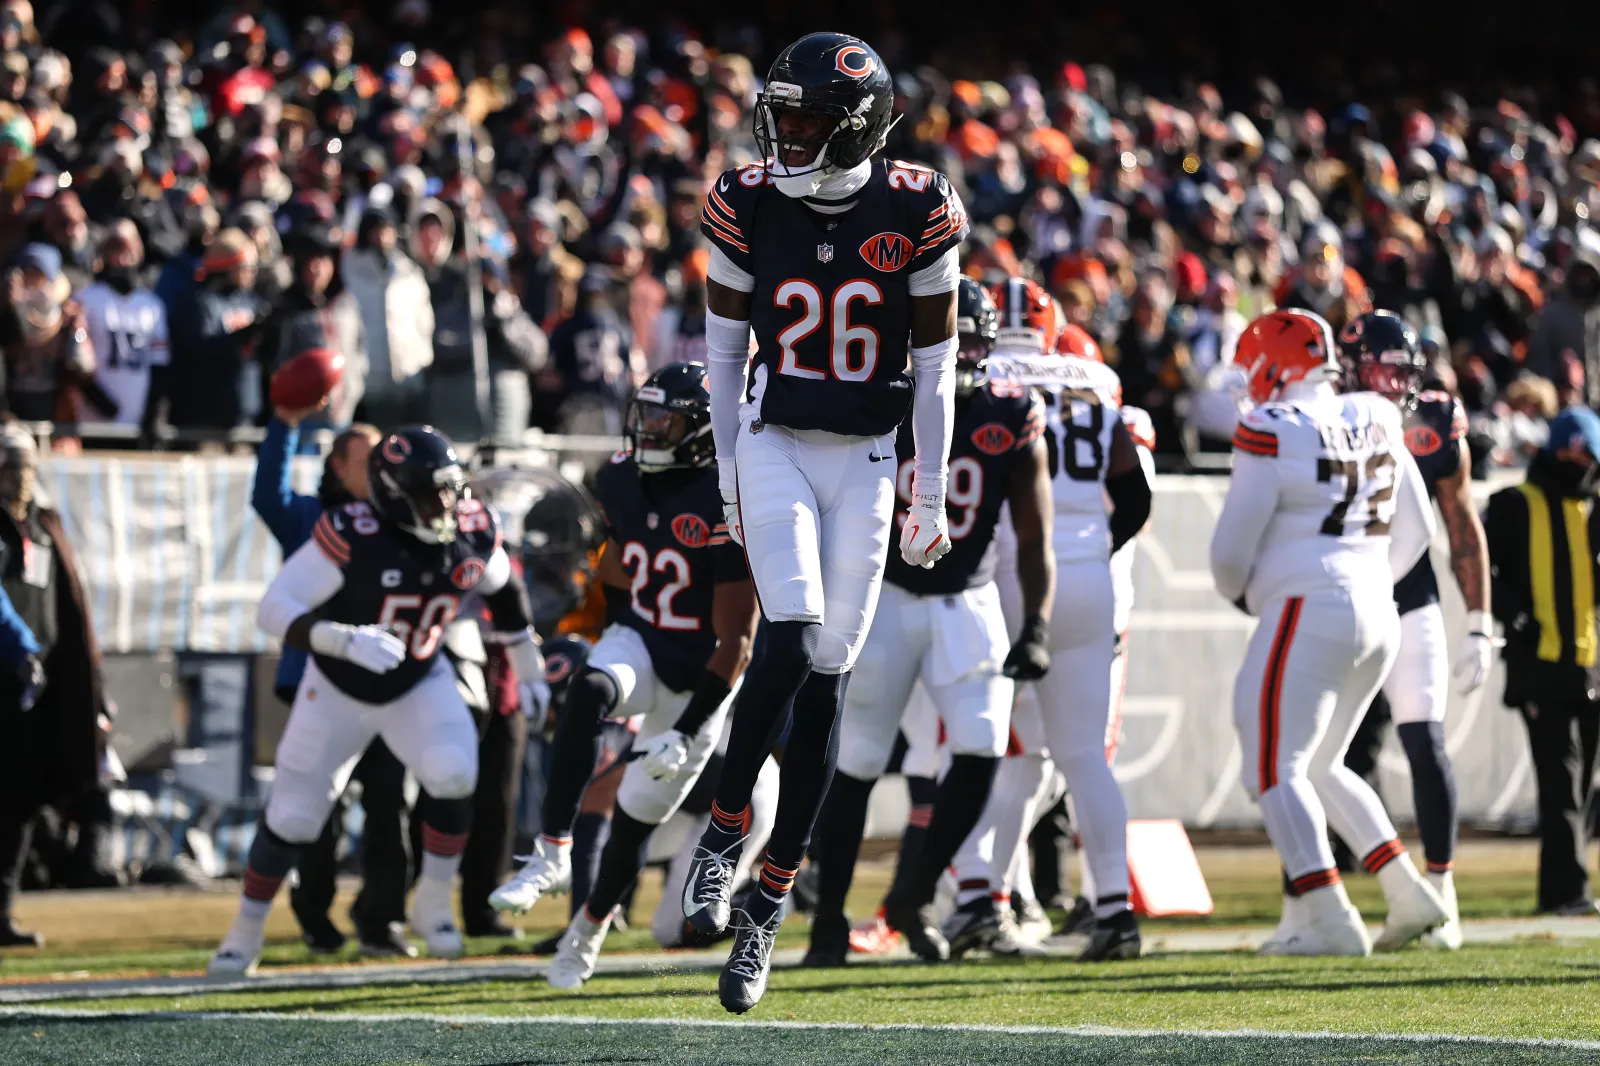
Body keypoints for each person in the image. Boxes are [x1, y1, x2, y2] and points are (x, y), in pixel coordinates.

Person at [684, 32, 968, 1014]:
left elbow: (935, 367)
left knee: (830, 681)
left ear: (854, 125)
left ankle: (769, 899)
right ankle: (726, 827)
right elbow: (723, 355)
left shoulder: (919, 206)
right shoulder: (744, 197)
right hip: (775, 441)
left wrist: (929, 493)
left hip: (871, 457)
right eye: (781, 116)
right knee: (794, 632)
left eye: (804, 119)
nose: (786, 135)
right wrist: (723, 470)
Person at [208, 426, 550, 975]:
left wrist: (529, 670)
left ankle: (433, 901)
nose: (447, 504)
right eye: (431, 491)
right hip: (339, 686)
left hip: (417, 675)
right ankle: (245, 931)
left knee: (454, 772)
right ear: (393, 491)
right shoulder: (353, 530)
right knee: (296, 817)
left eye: (451, 488)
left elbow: (505, 590)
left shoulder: (468, 526)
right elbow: (273, 608)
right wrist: (341, 638)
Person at [802, 278, 1054, 966]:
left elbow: (1033, 537)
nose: (964, 352)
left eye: (976, 340)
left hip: (966, 598)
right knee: (854, 761)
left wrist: (1035, 624)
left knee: (979, 746)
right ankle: (828, 918)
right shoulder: (882, 402)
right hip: (886, 596)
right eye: (953, 337)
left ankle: (910, 896)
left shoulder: (1013, 412)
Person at [491, 363, 761, 990]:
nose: (647, 430)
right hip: (641, 637)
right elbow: (616, 571)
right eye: (645, 416)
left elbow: (737, 640)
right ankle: (553, 851)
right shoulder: (620, 477)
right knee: (588, 689)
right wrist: (613, 636)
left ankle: (585, 931)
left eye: (663, 421)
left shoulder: (729, 498)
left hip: (703, 675)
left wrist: (690, 726)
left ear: (699, 432)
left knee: (635, 822)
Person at [1210, 308, 1448, 957]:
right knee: (1321, 765)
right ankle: (1407, 893)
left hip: (1309, 604)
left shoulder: (1271, 426)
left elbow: (1229, 555)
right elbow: (1420, 531)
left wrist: (1254, 592)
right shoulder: (1376, 411)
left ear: (1273, 367)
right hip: (1376, 607)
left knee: (1269, 766)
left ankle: (1329, 915)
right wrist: (1368, 578)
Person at [1336, 310, 1493, 949]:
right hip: (1340, 602)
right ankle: (1321, 898)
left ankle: (1442, 892)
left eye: (1402, 369)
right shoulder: (1322, 415)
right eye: (1380, 367)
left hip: (1406, 598)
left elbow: (1459, 521)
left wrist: (1480, 621)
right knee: (1327, 753)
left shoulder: (1431, 423)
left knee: (1424, 740)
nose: (1392, 382)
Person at [249, 406, 417, 956]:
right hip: (320, 681)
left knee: (391, 799)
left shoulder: (402, 518)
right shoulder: (312, 518)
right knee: (318, 806)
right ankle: (315, 915)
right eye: (365, 459)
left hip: (389, 687)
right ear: (338, 467)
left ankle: (382, 917)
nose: (378, 469)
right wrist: (284, 422)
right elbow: (267, 497)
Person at [1483, 407, 1600, 915]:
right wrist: (1517, 618)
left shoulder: (1591, 510)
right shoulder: (1514, 504)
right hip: (1540, 666)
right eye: (1577, 453)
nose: (1582, 464)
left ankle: (1567, 888)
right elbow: (1482, 571)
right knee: (1560, 783)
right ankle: (1566, 891)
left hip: (1588, 666)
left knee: (1580, 782)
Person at [0, 424, 107, 947]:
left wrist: (85, 685)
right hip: (7, 676)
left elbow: (69, 608)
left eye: (23, 465)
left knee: (20, 802)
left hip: (35, 689)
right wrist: (19, 648)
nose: (16, 476)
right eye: (6, 465)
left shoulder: (43, 528)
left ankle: (1, 910)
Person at [342, 206, 433, 430]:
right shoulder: (350, 268)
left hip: (408, 372)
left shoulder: (408, 270)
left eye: (386, 230)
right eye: (375, 231)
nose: (381, 237)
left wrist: (422, 357)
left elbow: (424, 320)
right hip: (369, 375)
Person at [77, 224, 170, 440]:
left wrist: (155, 415)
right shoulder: (86, 299)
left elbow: (160, 366)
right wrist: (101, 403)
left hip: (136, 424)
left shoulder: (151, 305)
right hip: (94, 425)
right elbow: (75, 363)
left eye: (129, 246)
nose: (123, 255)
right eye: (115, 247)